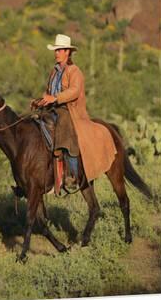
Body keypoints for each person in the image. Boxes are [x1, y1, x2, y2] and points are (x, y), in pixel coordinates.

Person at [33, 34, 118, 194]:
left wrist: (55, 98)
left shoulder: (75, 71)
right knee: (33, 122)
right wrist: (42, 99)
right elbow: (49, 91)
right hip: (54, 108)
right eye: (56, 50)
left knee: (65, 126)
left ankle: (73, 173)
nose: (56, 53)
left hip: (70, 110)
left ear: (67, 52)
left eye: (59, 50)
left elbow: (74, 91)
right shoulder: (54, 71)